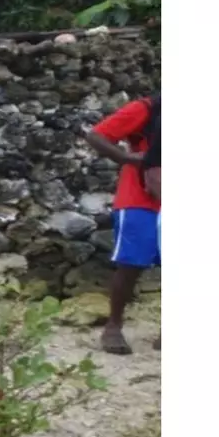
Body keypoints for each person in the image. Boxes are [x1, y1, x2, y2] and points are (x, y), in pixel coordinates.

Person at [84, 93, 161, 355]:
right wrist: (127, 159)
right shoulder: (148, 108)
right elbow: (97, 135)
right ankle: (113, 325)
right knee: (131, 264)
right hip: (140, 198)